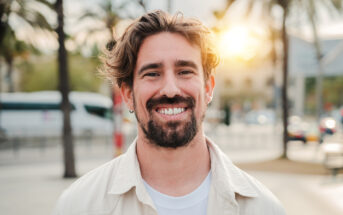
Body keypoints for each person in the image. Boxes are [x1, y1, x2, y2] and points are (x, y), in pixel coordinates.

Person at [53, 10, 286, 215]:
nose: (171, 90)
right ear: (127, 94)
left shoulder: (264, 209)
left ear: (207, 88)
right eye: (152, 73)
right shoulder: (78, 206)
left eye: (184, 71)